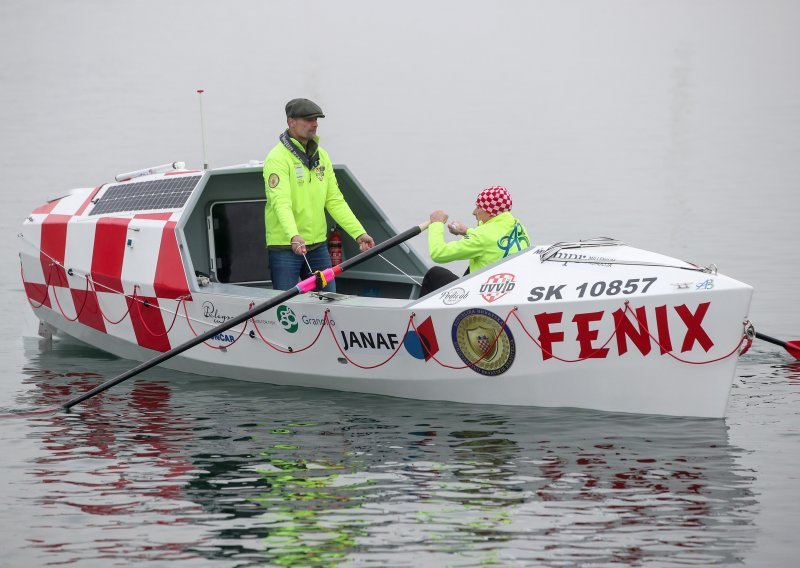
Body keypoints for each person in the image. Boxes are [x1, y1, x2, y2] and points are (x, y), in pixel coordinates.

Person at [263, 98, 375, 292]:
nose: (314, 124)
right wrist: (294, 235)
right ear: (291, 122)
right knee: (285, 309)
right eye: (308, 119)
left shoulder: (322, 156)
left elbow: (334, 201)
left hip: (317, 247)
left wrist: (359, 233)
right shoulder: (277, 158)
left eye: (316, 119)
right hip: (285, 247)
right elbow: (280, 203)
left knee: (329, 303)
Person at [421, 185, 530, 296]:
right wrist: (467, 231)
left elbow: (438, 254)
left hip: (481, 296)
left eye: (478, 207)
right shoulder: (518, 226)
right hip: (508, 291)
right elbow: (490, 238)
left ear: (490, 212)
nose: (474, 212)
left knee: (434, 274)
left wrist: (437, 224)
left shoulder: (481, 236)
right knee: (475, 262)